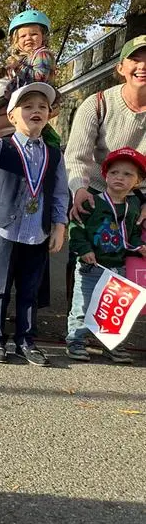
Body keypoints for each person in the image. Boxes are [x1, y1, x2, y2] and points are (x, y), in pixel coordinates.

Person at [0, 82, 68, 366]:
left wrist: (59, 225)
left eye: (42, 107)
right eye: (27, 106)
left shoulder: (54, 153)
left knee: (30, 289)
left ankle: (26, 339)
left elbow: (60, 191)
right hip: (4, 228)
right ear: (12, 116)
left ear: (49, 114)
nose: (36, 111)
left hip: (37, 230)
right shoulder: (2, 145)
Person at [66, 148, 145, 364]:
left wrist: (139, 246)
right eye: (115, 172)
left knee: (112, 309)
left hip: (117, 268)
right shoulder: (91, 202)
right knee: (83, 306)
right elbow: (76, 227)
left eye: (128, 174)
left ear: (138, 182)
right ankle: (76, 341)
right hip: (91, 266)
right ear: (105, 176)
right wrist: (84, 250)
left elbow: (133, 233)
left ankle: (110, 345)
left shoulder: (134, 207)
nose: (120, 177)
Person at [65, 36, 146, 222]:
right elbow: (76, 157)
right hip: (98, 192)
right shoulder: (97, 104)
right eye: (135, 60)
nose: (142, 66)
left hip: (141, 197)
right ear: (121, 68)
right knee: (88, 249)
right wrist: (79, 189)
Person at [5, 9, 56, 90]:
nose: (28, 38)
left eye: (34, 34)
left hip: (37, 98)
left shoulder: (42, 54)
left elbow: (39, 79)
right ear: (16, 41)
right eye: (23, 36)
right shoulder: (22, 59)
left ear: (43, 37)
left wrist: (18, 67)